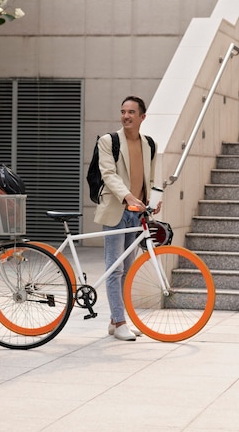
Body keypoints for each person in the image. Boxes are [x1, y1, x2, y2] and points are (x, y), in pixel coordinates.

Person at [94, 96, 161, 341]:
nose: (126, 116)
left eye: (131, 112)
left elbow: (154, 178)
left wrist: (154, 199)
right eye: (123, 111)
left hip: (136, 214)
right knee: (115, 268)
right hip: (116, 211)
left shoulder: (150, 144)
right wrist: (129, 196)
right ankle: (120, 321)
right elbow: (109, 175)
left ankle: (116, 320)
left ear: (142, 117)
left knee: (128, 269)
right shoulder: (108, 141)